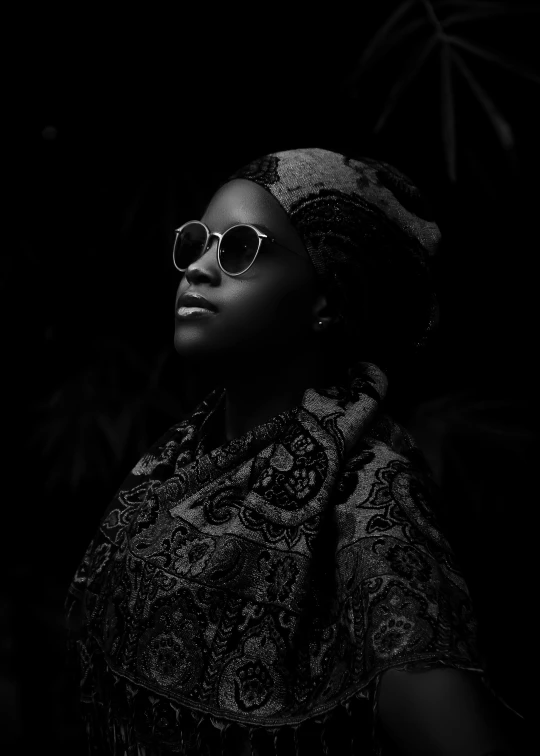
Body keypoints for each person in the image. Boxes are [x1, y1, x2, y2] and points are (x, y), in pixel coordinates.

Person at [65, 148, 523, 755]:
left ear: (325, 298)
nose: (199, 268)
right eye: (196, 242)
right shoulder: (183, 456)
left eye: (240, 250)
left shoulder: (367, 491)